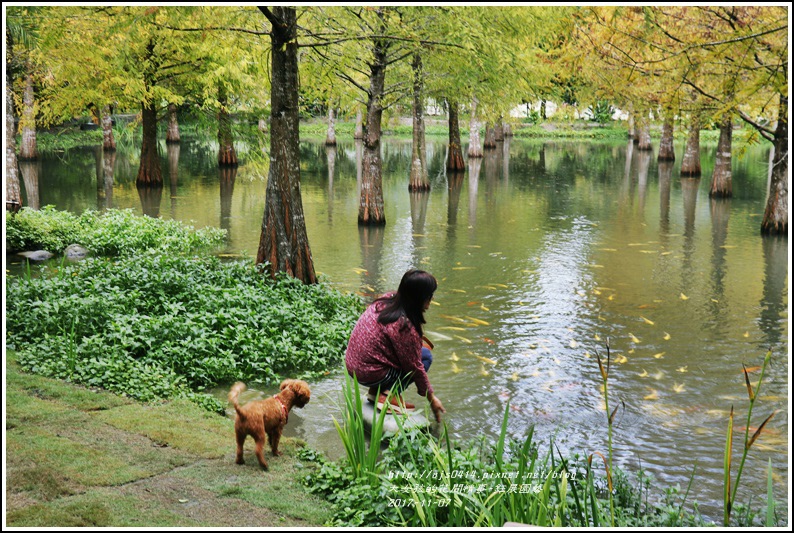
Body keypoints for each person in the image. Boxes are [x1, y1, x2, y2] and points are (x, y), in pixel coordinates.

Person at [345, 269, 446, 422]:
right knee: (425, 357)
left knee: (416, 353)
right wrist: (431, 398)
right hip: (369, 372)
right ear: (419, 298)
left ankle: (376, 392)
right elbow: (415, 367)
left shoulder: (387, 299)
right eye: (429, 297)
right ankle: (387, 395)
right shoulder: (403, 325)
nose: (430, 302)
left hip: (354, 365)